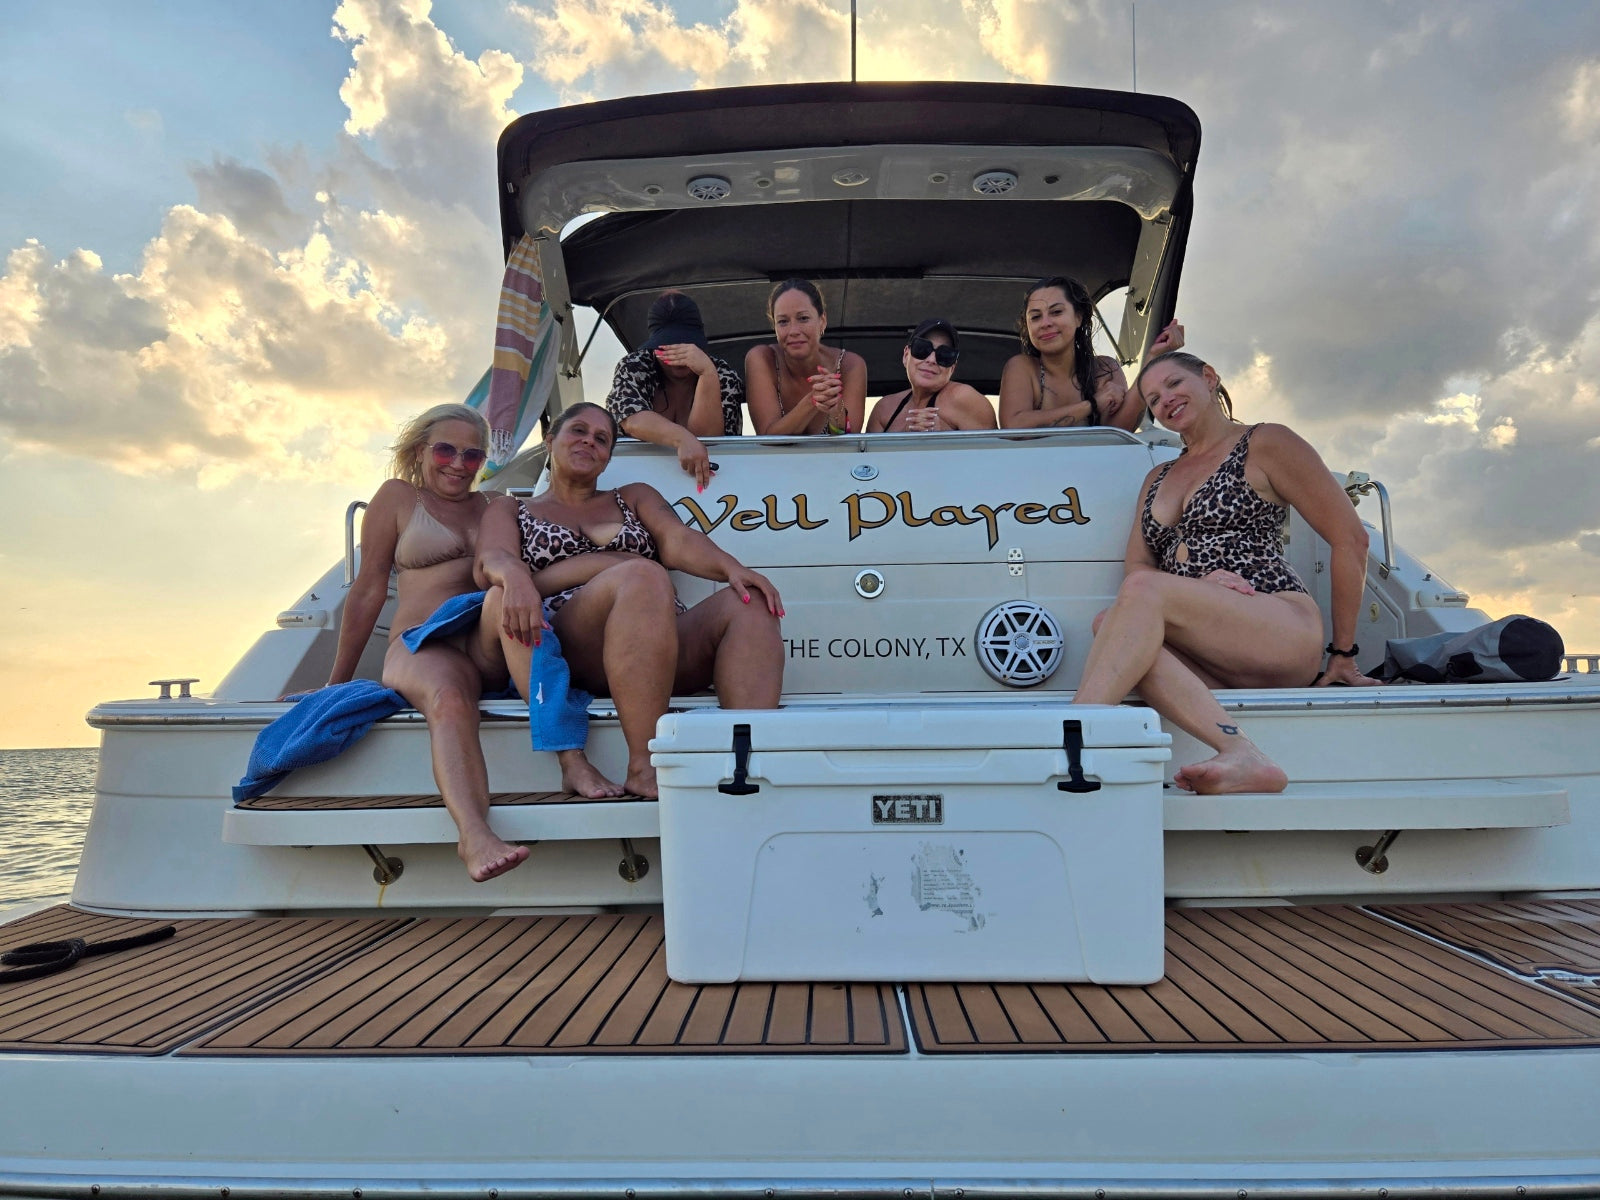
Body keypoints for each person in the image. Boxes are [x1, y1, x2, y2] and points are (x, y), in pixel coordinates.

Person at [331, 403, 622, 884]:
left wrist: (613, 565)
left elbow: (529, 574)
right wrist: (336, 683)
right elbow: (367, 592)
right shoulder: (398, 497)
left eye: (472, 456)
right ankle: (474, 835)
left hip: (484, 640)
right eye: (445, 450)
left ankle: (572, 760)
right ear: (420, 451)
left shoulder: (495, 506)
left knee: (503, 595)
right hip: (423, 645)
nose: (458, 464)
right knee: (449, 698)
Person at [1074, 350, 1375, 795]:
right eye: (1153, 399)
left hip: (1277, 622)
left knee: (1139, 593)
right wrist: (1196, 588)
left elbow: (1351, 539)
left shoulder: (1265, 442)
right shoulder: (1157, 477)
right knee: (1108, 624)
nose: (1165, 400)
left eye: (1174, 383)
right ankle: (1240, 752)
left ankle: (1072, 737)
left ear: (1209, 377)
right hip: (1209, 650)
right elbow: (1138, 563)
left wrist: (1344, 653)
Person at [476, 402, 784, 799]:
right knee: (642, 575)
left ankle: (746, 765)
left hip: (654, 643)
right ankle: (646, 764)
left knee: (750, 601)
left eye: (602, 439)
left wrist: (731, 568)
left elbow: (676, 539)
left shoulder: (633, 497)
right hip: (574, 645)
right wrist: (518, 577)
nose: (589, 441)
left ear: (608, 458)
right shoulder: (512, 507)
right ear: (550, 440)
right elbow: (492, 559)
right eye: (578, 431)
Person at [999, 276, 1180, 433]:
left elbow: (1119, 430)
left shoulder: (1104, 369)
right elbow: (1014, 428)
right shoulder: (1022, 367)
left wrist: (1152, 359)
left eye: (1056, 312)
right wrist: (1092, 405)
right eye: (1035, 317)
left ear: (1078, 317)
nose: (1045, 323)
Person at [605, 290, 744, 491]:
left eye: (686, 345)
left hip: (710, 487)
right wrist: (681, 438)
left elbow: (710, 440)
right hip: (637, 482)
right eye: (667, 346)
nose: (678, 356)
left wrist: (707, 375)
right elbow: (631, 419)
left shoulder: (722, 375)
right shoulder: (635, 366)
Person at [744, 278, 867, 436]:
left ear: (822, 321)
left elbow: (849, 440)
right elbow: (768, 437)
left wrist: (836, 409)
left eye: (803, 318)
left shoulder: (850, 365)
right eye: (783, 321)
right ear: (774, 327)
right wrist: (813, 401)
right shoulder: (762, 359)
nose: (794, 331)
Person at [865, 319, 998, 433]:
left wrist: (943, 438)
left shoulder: (964, 398)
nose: (931, 360)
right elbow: (867, 454)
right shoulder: (884, 409)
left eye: (944, 355)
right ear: (906, 356)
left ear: (952, 368)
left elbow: (993, 452)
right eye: (922, 348)